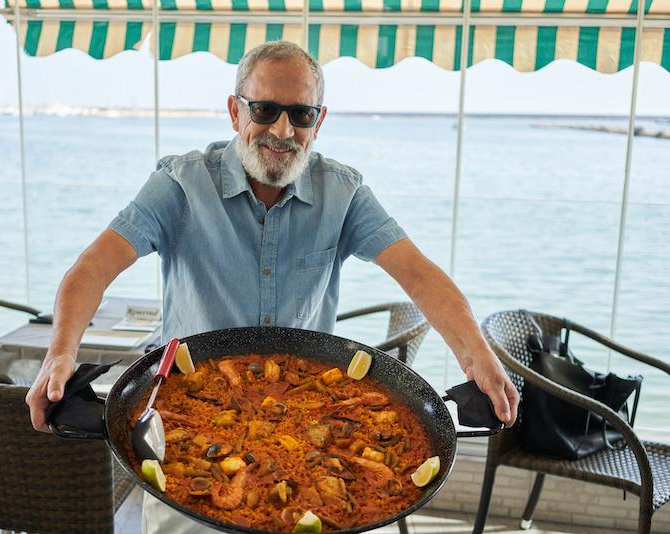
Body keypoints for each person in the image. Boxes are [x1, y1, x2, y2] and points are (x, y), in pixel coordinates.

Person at [26, 40, 519, 532]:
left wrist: (475, 354)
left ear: (318, 122)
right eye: (265, 110)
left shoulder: (343, 191)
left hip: (313, 429)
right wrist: (61, 353)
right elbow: (93, 268)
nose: (283, 130)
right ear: (235, 112)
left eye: (301, 115)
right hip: (183, 421)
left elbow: (419, 273)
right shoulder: (181, 183)